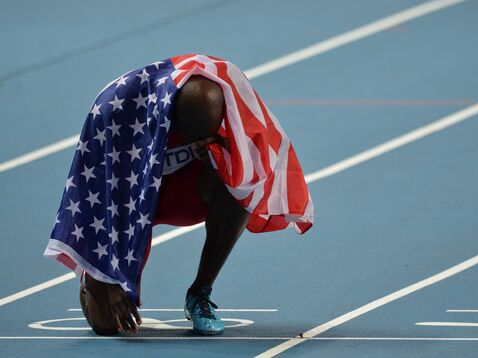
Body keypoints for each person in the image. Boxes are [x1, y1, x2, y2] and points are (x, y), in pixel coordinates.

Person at [46, 54, 313, 337]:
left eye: (208, 135)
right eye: (195, 137)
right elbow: (97, 200)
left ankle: (200, 292)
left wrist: (217, 153)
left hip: (190, 192)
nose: (203, 143)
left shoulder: (228, 106)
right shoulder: (116, 112)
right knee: (106, 326)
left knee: (241, 183)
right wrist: (108, 274)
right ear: (171, 118)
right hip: (127, 202)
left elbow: (261, 174)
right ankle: (93, 280)